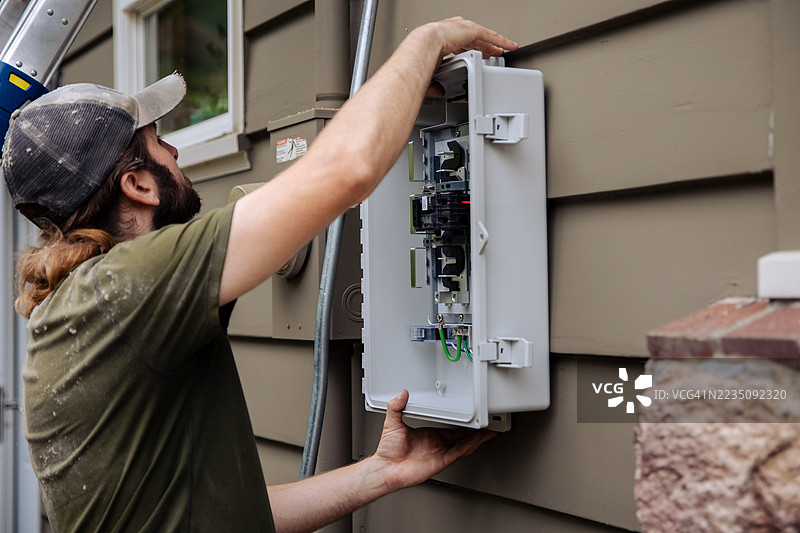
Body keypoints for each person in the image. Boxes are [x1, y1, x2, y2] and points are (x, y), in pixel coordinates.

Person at [1, 17, 516, 533]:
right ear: (138, 185)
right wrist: (425, 41)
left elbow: (222, 517)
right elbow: (349, 168)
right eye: (159, 141)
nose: (175, 152)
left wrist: (381, 474)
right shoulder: (119, 288)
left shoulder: (83, 305)